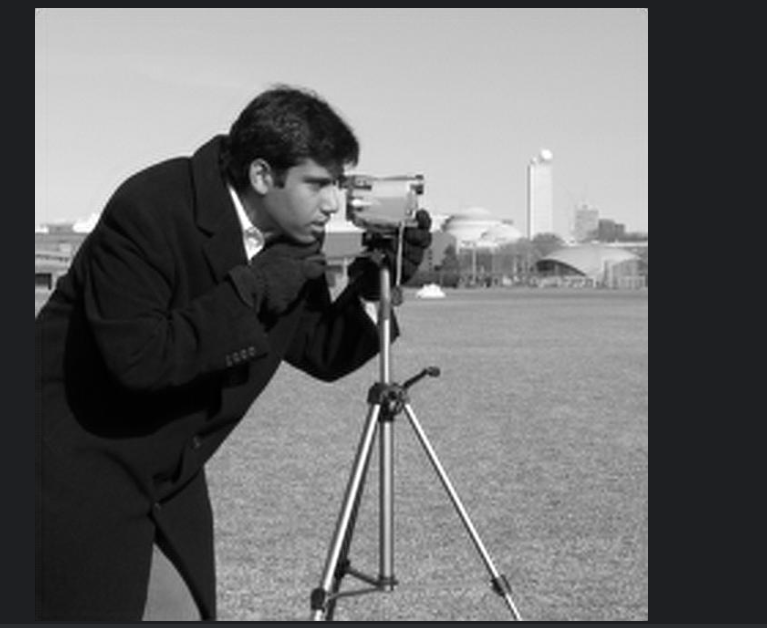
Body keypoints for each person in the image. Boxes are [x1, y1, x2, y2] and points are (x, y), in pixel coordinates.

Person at [35, 85, 432, 621]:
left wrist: (375, 284)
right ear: (263, 175)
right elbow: (138, 358)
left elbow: (319, 349)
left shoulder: (291, 238)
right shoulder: (152, 207)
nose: (332, 203)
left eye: (337, 184)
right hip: (69, 465)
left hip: (166, 475)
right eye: (317, 184)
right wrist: (250, 290)